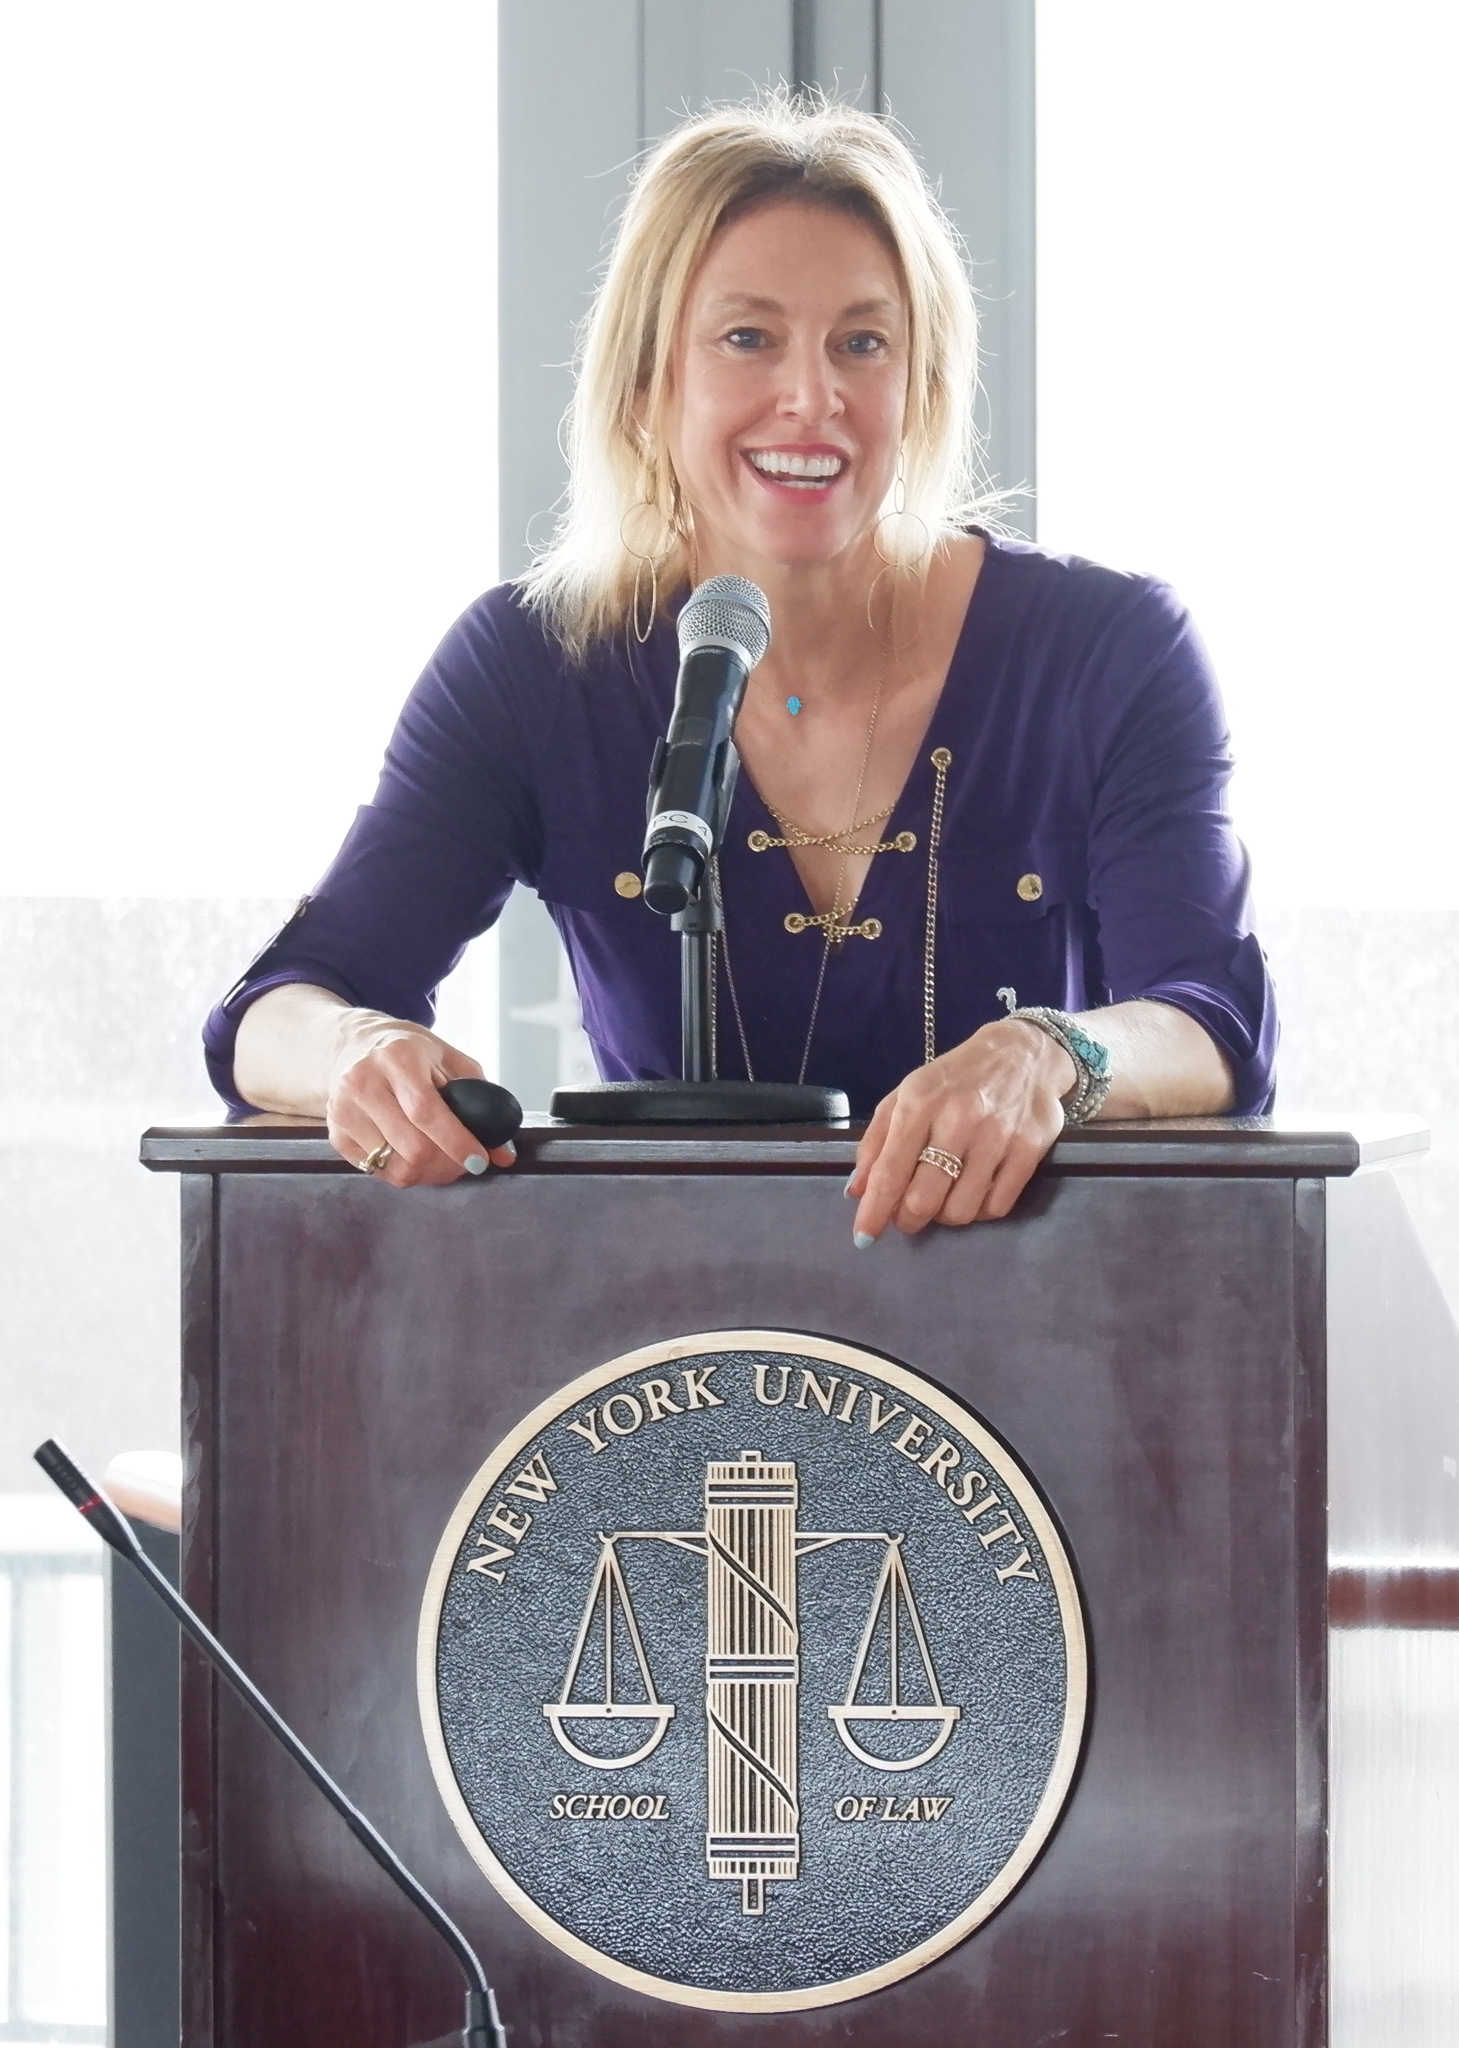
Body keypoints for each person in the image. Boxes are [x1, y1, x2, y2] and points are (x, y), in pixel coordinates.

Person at [206, 94, 1275, 1243]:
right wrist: (360, 1050)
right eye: (747, 337)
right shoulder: (528, 665)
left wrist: (1049, 1052)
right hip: (674, 1348)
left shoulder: (1111, 649)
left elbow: (1212, 1027)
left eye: (862, 343)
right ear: (646, 384)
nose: (811, 397)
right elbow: (274, 1016)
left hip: (1046, 1327)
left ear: (920, 387)